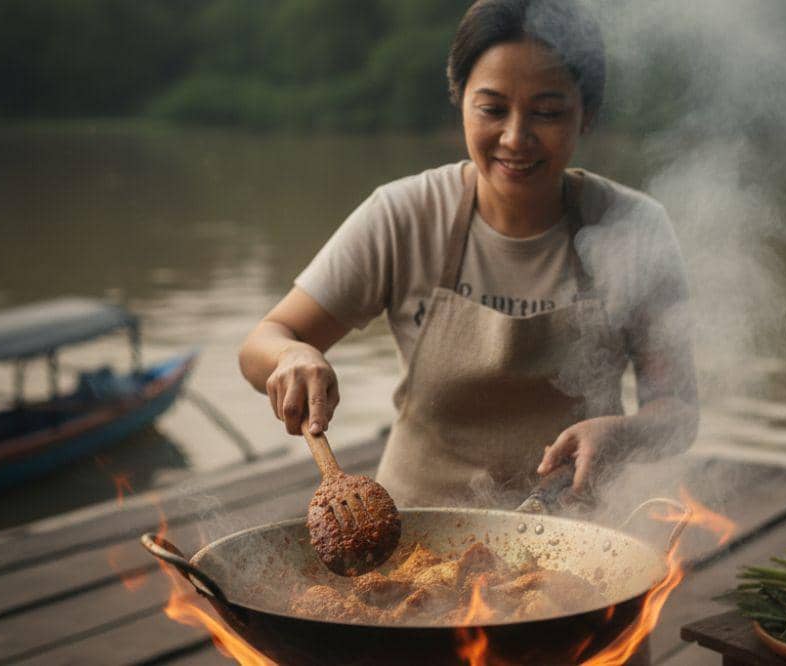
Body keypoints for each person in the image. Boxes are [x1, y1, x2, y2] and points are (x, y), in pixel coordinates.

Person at [239, 0, 698, 510]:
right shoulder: (404, 215)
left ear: (587, 114)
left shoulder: (634, 228)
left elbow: (677, 412)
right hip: (413, 539)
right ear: (459, 100)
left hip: (575, 543)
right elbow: (263, 342)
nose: (516, 137)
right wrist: (294, 354)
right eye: (493, 108)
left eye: (546, 112)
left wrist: (623, 433)